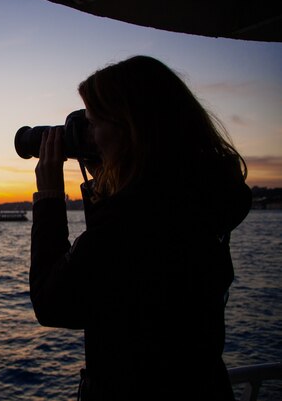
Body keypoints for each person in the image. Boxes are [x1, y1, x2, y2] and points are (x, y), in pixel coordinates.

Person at [30, 56, 251, 401]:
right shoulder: (200, 201)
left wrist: (48, 197)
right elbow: (115, 274)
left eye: (93, 123)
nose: (89, 137)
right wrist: (107, 177)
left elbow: (51, 302)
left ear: (130, 127)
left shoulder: (134, 224)